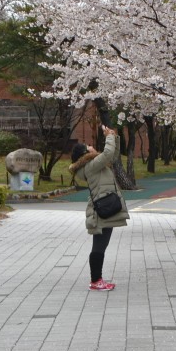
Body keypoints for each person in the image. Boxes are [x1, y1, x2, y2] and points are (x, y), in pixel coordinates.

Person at [68, 125, 129, 291]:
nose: (91, 146)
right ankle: (96, 281)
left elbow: (112, 157)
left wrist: (114, 137)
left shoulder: (94, 164)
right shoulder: (90, 166)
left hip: (104, 207)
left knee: (100, 245)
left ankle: (97, 280)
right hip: (102, 210)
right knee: (99, 246)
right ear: (85, 154)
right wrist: (108, 136)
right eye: (88, 147)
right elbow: (107, 154)